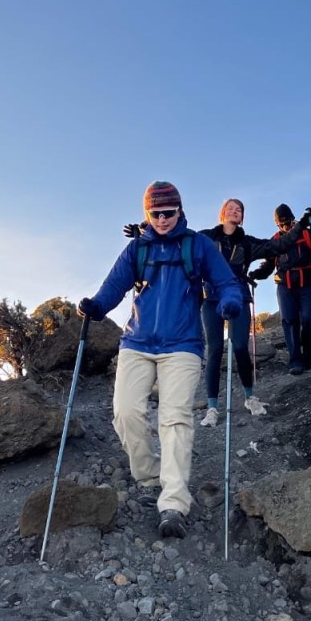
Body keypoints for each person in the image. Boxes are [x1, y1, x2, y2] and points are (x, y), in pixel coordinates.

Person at [78, 181, 242, 540]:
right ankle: (150, 473)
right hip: (136, 342)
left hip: (183, 344)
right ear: (147, 214)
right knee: (125, 412)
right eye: (156, 213)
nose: (163, 219)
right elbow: (113, 287)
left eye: (169, 212)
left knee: (175, 419)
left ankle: (173, 503)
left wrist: (230, 301)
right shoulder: (137, 249)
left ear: (180, 211)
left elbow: (226, 282)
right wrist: (96, 306)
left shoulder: (197, 245)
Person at [196, 198, 311, 427]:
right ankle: (212, 408)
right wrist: (145, 231)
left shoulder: (247, 243)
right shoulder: (206, 237)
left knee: (241, 346)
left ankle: (249, 397)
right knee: (214, 350)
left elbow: (278, 246)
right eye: (230, 208)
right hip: (211, 298)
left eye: (239, 209)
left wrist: (300, 226)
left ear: (242, 217)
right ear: (222, 213)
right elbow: (179, 239)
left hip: (239, 297)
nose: (235, 211)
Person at [249, 203, 311, 376]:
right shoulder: (275, 240)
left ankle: (310, 359)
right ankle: (295, 361)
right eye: (280, 224)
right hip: (284, 285)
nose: (285, 226)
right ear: (276, 224)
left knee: (310, 318)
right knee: (289, 320)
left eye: (287, 221)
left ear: (291, 217)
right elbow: (268, 266)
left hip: (307, 282)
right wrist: (257, 274)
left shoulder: (306, 233)